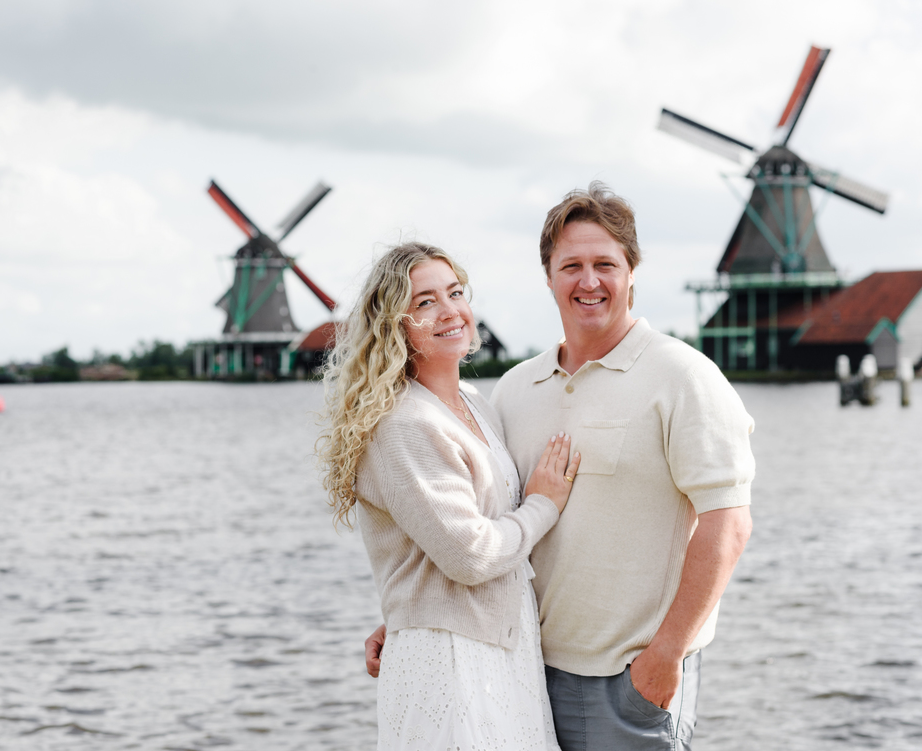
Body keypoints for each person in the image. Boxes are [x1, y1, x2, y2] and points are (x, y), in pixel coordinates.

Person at [367, 185, 755, 751]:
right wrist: (415, 616)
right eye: (571, 265)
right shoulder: (513, 391)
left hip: (627, 680)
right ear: (548, 277)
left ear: (632, 272)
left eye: (605, 264)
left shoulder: (683, 377)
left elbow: (729, 525)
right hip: (517, 670)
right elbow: (477, 521)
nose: (589, 281)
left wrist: (666, 655)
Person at [320, 241, 580, 750]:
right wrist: (544, 504)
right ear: (395, 324)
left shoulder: (474, 403)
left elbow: (432, 547)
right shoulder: (404, 424)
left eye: (455, 293)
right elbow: (469, 554)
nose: (449, 311)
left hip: (500, 646)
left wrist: (403, 607)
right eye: (425, 302)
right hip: (451, 660)